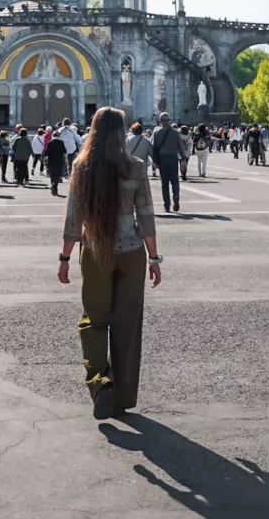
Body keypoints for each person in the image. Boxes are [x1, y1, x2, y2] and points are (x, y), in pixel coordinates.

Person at [58, 106, 162, 419]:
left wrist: (64, 258)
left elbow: (73, 219)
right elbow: (146, 215)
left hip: (95, 251)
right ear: (121, 133)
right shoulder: (136, 165)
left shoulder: (82, 165)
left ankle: (100, 383)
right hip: (131, 253)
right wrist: (154, 257)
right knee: (127, 326)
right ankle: (123, 397)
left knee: (94, 320)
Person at [152, 112, 187, 213]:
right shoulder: (175, 132)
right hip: (173, 158)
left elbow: (154, 148)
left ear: (160, 121)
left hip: (162, 159)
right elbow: (180, 147)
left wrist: (154, 161)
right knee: (175, 181)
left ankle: (167, 206)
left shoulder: (156, 132)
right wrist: (183, 160)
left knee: (164, 184)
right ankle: (176, 195)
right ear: (169, 120)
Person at [45, 127, 67, 195]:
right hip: (59, 160)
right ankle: (55, 186)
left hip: (51, 161)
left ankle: (53, 186)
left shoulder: (49, 142)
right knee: (58, 174)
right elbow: (64, 151)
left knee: (52, 175)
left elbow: (46, 153)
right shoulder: (61, 142)